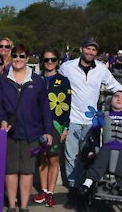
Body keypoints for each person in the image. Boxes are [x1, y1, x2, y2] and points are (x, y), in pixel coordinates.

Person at [58, 38, 122, 198]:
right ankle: (75, 187)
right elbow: (56, 85)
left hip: (91, 120)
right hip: (72, 118)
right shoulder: (67, 67)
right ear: (81, 49)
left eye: (94, 50)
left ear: (96, 53)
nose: (90, 52)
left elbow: (114, 85)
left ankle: (85, 183)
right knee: (71, 154)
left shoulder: (101, 69)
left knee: (87, 154)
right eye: (88, 49)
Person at [0, 44, 53, 212]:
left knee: (27, 171)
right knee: (10, 170)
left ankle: (24, 206)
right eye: (15, 56)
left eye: (21, 56)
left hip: (31, 132)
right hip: (9, 132)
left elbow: (45, 108)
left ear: (27, 58)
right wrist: (2, 119)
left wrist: (48, 131)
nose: (18, 59)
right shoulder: (3, 80)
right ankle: (12, 205)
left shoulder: (38, 81)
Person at [80, 90, 122, 195]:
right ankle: (88, 182)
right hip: (106, 147)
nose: (119, 99)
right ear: (111, 101)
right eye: (116, 96)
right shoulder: (102, 116)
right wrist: (93, 150)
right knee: (102, 154)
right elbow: (95, 135)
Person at [33, 48, 71, 207]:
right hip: (38, 125)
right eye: (46, 60)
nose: (49, 63)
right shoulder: (36, 79)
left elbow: (67, 106)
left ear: (58, 62)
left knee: (53, 158)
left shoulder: (63, 81)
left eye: (53, 60)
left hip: (56, 125)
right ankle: (43, 190)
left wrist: (65, 128)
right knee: (42, 158)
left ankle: (50, 192)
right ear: (42, 61)